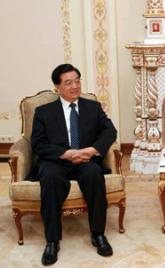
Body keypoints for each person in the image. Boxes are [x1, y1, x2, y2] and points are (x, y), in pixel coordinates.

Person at [31, 64, 117, 265]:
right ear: (57, 87)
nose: (74, 86)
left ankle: (98, 235)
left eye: (77, 80)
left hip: (85, 158)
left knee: (94, 175)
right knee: (51, 179)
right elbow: (37, 144)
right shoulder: (43, 112)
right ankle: (52, 241)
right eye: (68, 82)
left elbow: (109, 131)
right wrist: (64, 154)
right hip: (56, 160)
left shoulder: (92, 107)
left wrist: (93, 150)